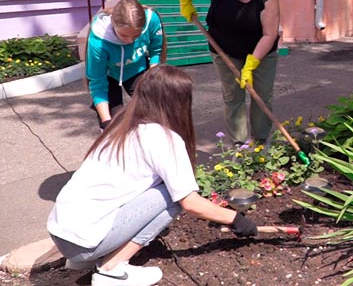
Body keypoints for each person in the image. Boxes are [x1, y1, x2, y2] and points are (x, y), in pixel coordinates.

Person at [48, 65, 258, 286]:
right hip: (84, 244)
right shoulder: (163, 138)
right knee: (172, 195)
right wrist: (236, 219)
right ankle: (112, 269)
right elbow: (189, 201)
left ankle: (89, 258)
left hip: (62, 233)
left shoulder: (120, 126)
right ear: (177, 102)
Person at [177, 0, 280, 145]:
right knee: (233, 97)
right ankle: (238, 145)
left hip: (262, 50)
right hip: (223, 47)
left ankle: (259, 143)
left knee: (262, 96)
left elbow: (269, 34)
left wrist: (252, 64)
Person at [86, 0, 164, 131]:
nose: (129, 41)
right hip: (108, 76)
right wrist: (106, 122)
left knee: (154, 115)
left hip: (137, 69)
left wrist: (153, 81)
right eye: (123, 35)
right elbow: (98, 83)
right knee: (116, 125)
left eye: (136, 36)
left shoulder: (152, 20)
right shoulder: (98, 42)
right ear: (112, 23)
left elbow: (156, 51)